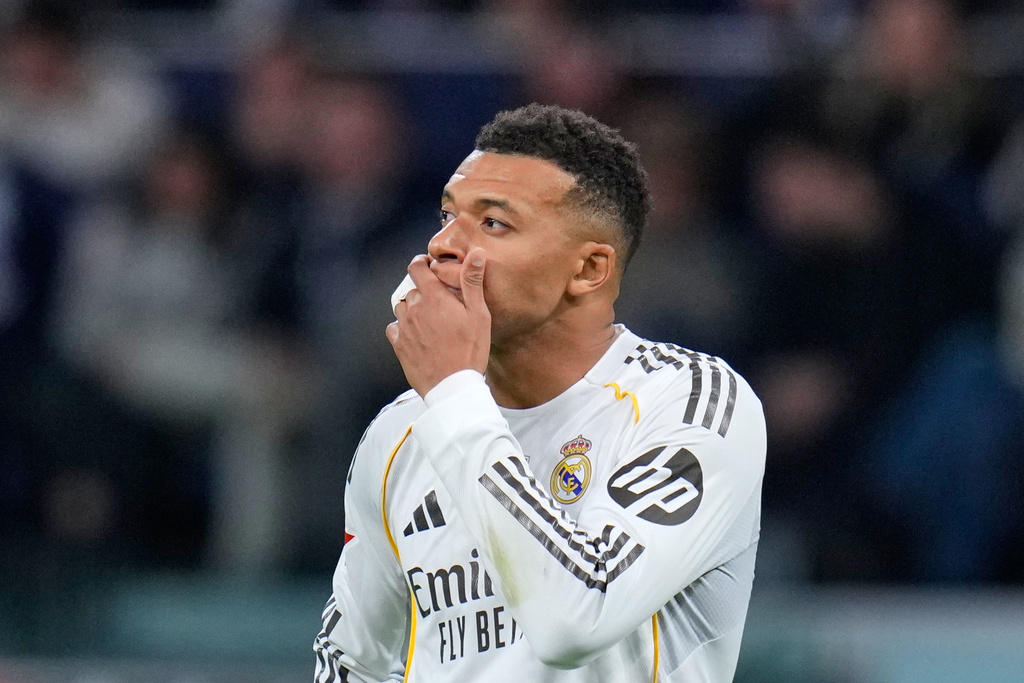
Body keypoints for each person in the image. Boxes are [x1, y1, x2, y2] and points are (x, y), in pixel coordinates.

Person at [313, 104, 766, 682]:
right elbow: (356, 659)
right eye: (447, 216)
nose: (444, 245)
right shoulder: (400, 433)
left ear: (588, 270)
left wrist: (454, 393)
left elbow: (578, 616)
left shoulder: (687, 403)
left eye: (494, 223)